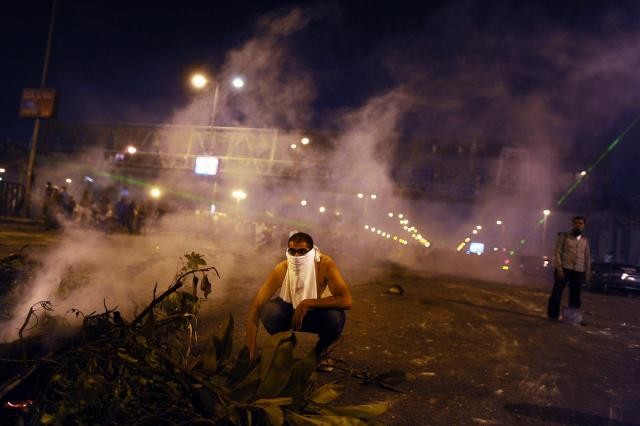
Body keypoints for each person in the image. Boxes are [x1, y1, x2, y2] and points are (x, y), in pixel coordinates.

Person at [245, 232, 352, 365]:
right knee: (269, 310)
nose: (297, 256)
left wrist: (307, 303)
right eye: (292, 251)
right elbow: (255, 307)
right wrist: (250, 349)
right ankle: (285, 347)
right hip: (290, 312)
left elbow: (346, 300)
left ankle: (319, 353)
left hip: (318, 312)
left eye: (302, 251)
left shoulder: (324, 264)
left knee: (335, 318)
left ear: (312, 251)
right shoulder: (282, 268)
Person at [547, 216, 591, 320]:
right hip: (564, 268)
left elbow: (587, 257)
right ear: (572, 224)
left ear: (584, 226)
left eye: (580, 223)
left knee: (575, 295)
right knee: (557, 292)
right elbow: (557, 252)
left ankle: (572, 318)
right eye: (576, 223)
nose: (578, 225)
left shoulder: (585, 240)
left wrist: (587, 273)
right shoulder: (564, 236)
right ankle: (553, 315)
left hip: (578, 270)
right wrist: (559, 268)